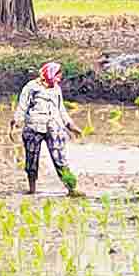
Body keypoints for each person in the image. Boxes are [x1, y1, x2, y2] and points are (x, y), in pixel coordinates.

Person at [10, 62, 83, 195]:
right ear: (49, 74)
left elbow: (61, 110)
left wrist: (70, 125)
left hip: (53, 128)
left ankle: (72, 188)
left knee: (60, 159)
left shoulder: (56, 89)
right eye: (57, 76)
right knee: (31, 161)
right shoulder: (31, 87)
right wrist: (16, 121)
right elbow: (22, 106)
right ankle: (32, 190)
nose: (59, 79)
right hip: (33, 127)